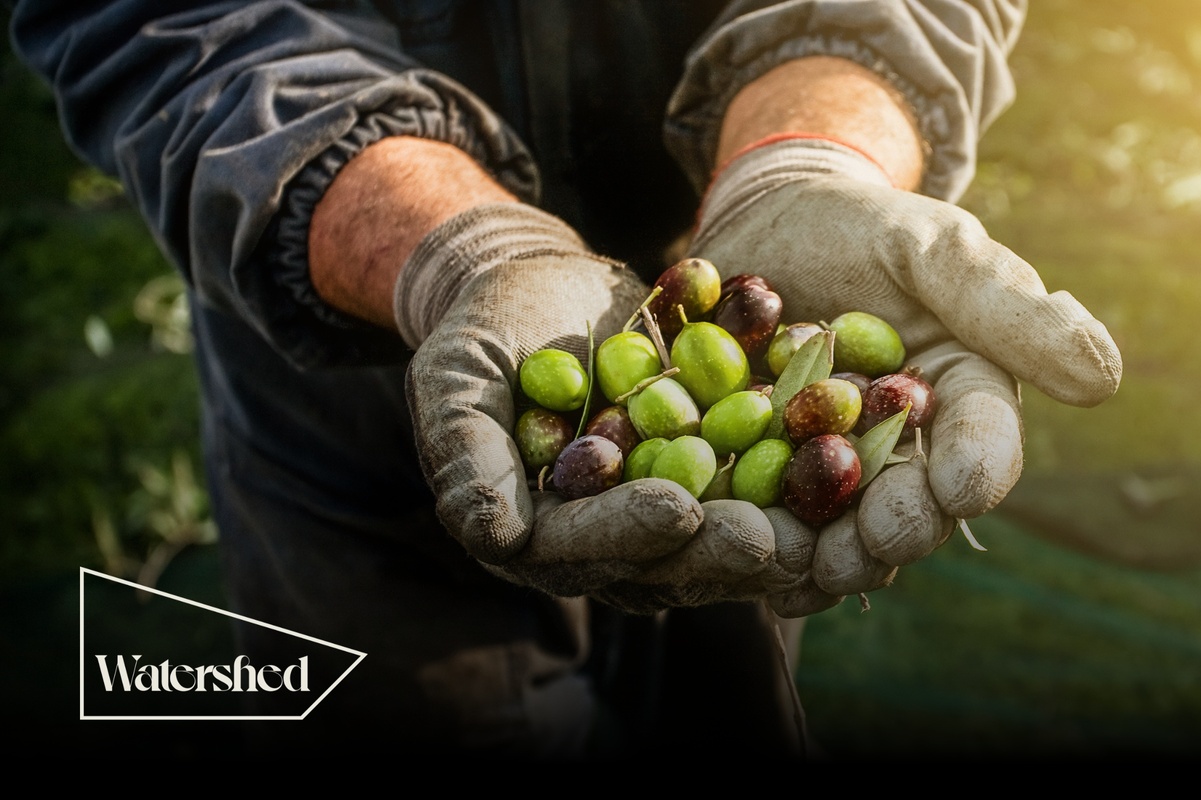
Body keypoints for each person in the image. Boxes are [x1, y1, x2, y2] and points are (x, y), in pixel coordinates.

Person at [11, 0, 1120, 756]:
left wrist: (809, 149)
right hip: (345, 369)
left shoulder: (739, 404)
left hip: (736, 257)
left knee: (728, 674)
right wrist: (455, 253)